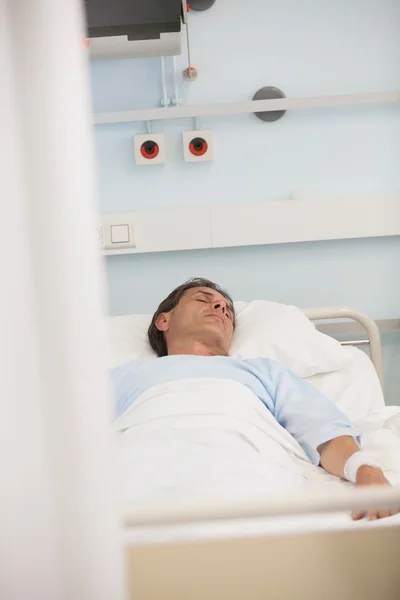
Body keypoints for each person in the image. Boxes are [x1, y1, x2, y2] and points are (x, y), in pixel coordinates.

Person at [112, 277, 397, 520]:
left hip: (248, 466)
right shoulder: (126, 375)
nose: (220, 307)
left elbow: (321, 428)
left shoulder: (263, 371)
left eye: (227, 311)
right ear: (163, 320)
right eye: (203, 299)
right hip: (144, 463)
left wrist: (363, 469)